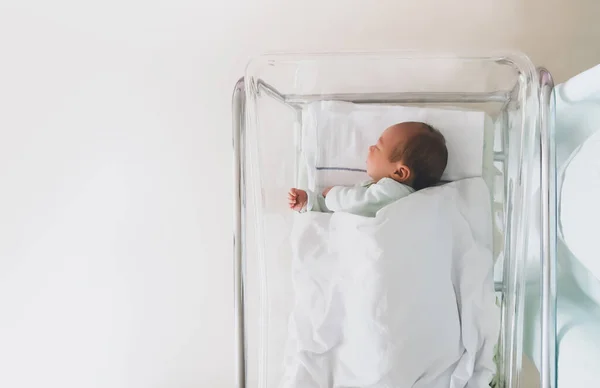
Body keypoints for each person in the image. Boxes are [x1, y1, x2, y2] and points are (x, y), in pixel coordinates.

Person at [288, 121, 448, 217]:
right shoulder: (373, 190)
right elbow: (340, 210)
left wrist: (333, 195)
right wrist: (310, 202)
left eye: (378, 147)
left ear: (399, 172)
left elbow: (355, 203)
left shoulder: (393, 193)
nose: (371, 148)